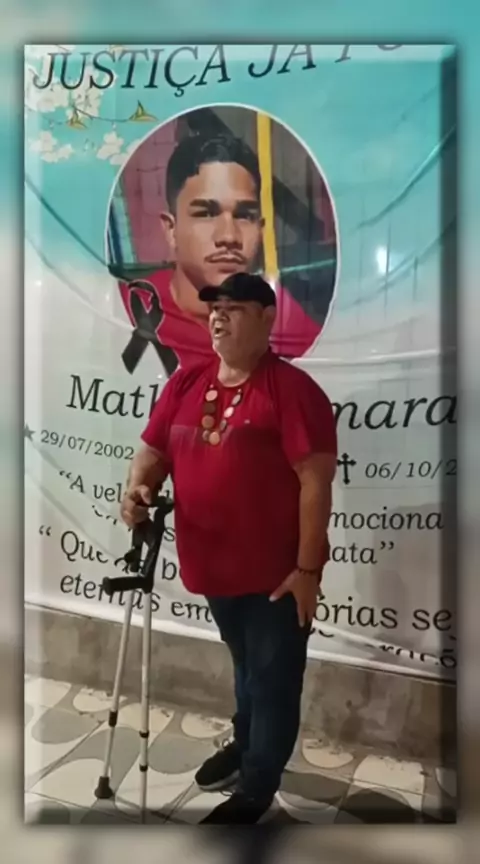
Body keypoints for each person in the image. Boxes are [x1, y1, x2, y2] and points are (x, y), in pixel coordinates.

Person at [120, 271, 337, 825]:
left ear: (267, 319)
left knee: (273, 681)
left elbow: (315, 484)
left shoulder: (293, 391)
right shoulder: (187, 382)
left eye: (234, 309)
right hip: (214, 568)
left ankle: (256, 789)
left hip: (277, 577)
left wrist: (307, 571)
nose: (218, 317)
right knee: (245, 668)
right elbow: (153, 452)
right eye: (215, 308)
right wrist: (138, 488)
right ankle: (245, 745)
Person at [117, 132, 323, 373]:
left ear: (261, 230)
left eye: (244, 216)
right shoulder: (120, 312)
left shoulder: (291, 331)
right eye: (206, 214)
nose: (229, 237)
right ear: (171, 229)